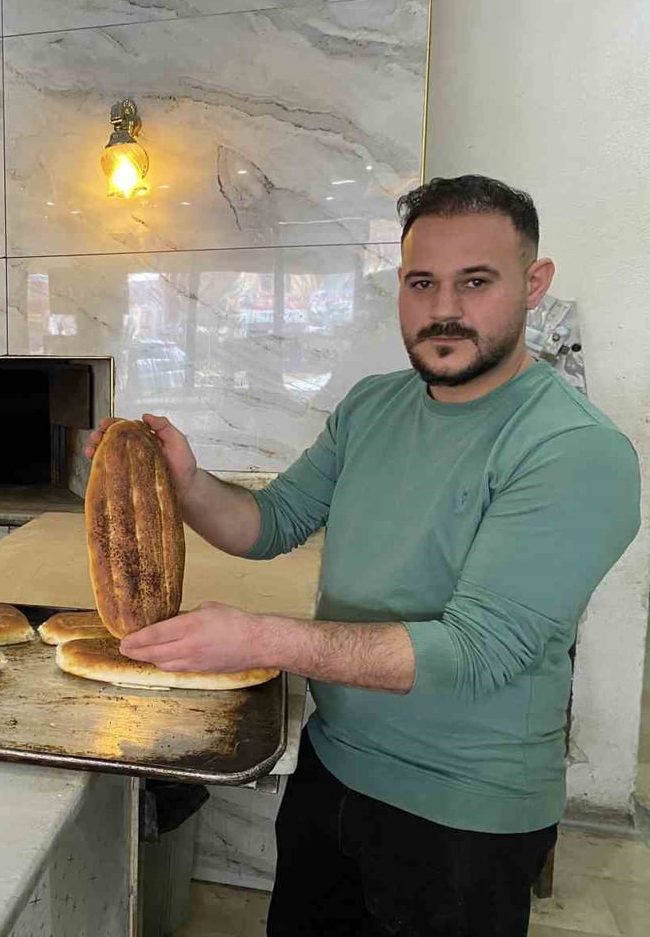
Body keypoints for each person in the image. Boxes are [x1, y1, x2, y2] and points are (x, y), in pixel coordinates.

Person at [87, 175, 640, 936]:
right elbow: (268, 521)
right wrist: (184, 481)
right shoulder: (372, 406)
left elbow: (474, 652)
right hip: (332, 770)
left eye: (475, 282)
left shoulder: (575, 451)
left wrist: (260, 638)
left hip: (463, 814)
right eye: (422, 283)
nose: (444, 309)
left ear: (533, 285)